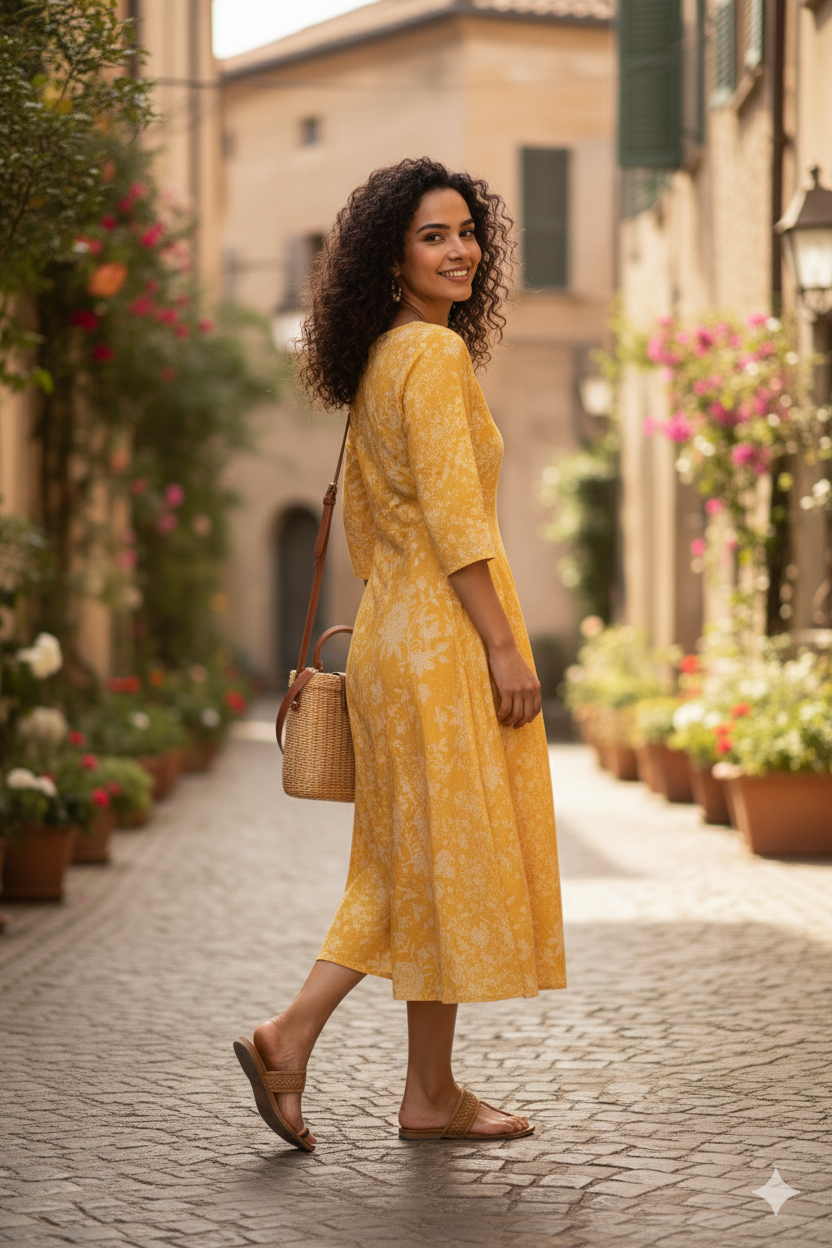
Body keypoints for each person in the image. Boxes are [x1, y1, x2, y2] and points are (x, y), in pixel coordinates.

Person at [234, 157, 565, 1150]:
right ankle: (293, 1036)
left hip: (392, 629)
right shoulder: (431, 358)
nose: (459, 248)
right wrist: (504, 645)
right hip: (441, 641)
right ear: (393, 255)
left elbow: (385, 528)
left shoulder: (386, 358)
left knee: (411, 868)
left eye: (466, 230)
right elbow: (456, 516)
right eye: (433, 235)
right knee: (434, 865)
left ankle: (429, 1093)